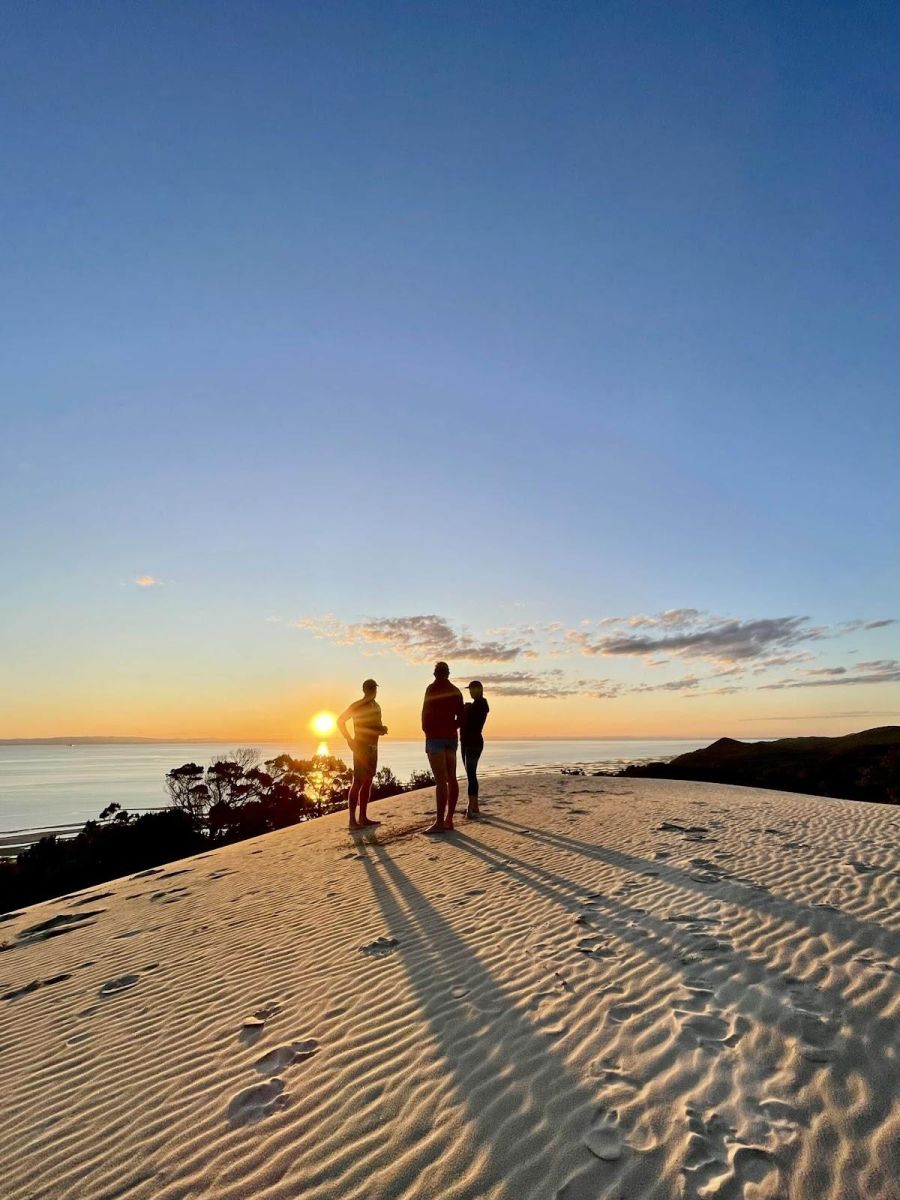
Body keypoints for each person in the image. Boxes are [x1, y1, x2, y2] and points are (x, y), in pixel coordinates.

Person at [337, 679, 388, 829]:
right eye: (371, 688)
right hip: (361, 747)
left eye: (374, 688)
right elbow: (340, 721)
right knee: (358, 781)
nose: (373, 691)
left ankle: (363, 817)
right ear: (365, 690)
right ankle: (352, 821)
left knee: (368, 781)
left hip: (373, 747)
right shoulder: (357, 705)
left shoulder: (377, 706)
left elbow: (375, 726)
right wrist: (349, 739)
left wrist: (382, 729)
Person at [421, 661, 465, 833]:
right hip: (451, 739)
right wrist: (451, 726)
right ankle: (449, 819)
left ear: (435, 674)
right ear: (448, 674)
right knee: (452, 778)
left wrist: (428, 731)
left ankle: (440, 822)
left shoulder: (431, 689)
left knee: (441, 781)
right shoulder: (456, 691)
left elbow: (425, 714)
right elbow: (462, 718)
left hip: (436, 739)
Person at [461, 680, 489, 818]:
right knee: (470, 774)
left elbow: (472, 718)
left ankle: (470, 806)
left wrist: (466, 709)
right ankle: (475, 805)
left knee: (471, 774)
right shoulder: (475, 705)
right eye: (469, 690)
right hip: (467, 742)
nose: (470, 692)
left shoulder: (481, 704)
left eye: (472, 690)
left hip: (473, 742)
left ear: (478, 690)